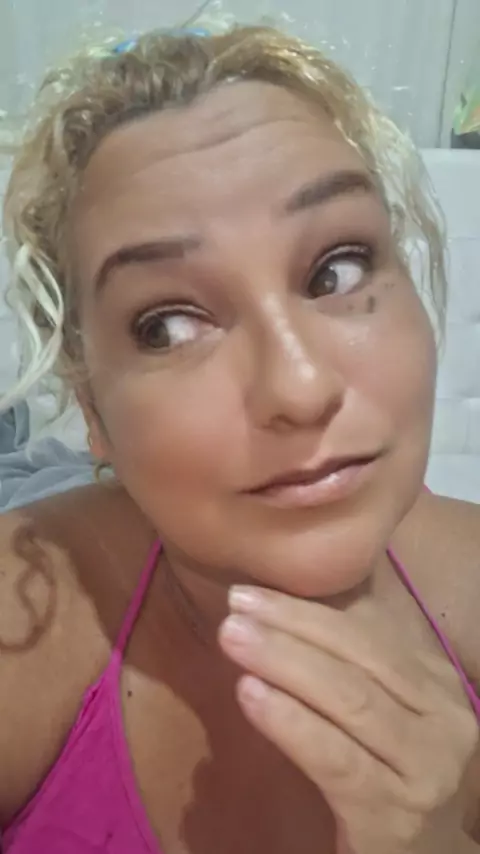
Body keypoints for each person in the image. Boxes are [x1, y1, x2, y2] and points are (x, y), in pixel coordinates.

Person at [0, 21, 479, 854]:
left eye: (336, 269)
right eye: (168, 325)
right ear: (91, 409)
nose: (300, 387)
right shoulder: (21, 627)